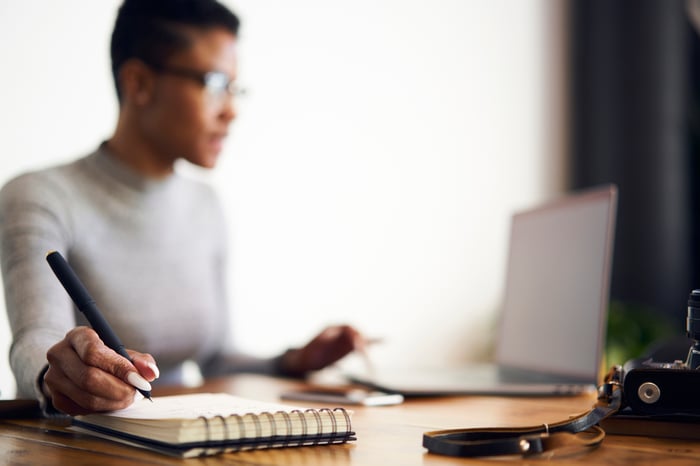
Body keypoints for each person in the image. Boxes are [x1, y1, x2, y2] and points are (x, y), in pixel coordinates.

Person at [0, 0, 363, 416]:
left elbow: (217, 359)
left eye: (233, 87)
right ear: (138, 83)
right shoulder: (41, 195)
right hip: (75, 442)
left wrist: (292, 362)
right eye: (213, 83)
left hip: (178, 437)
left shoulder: (205, 204)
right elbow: (35, 340)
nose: (231, 109)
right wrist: (57, 374)